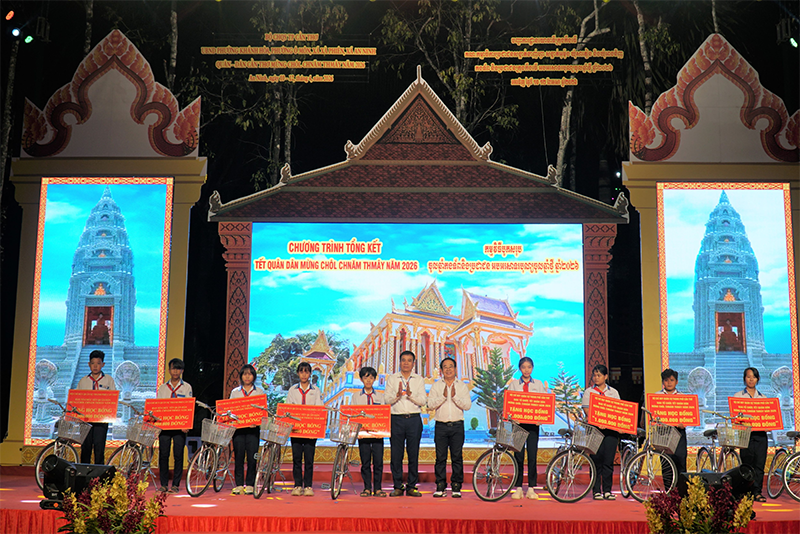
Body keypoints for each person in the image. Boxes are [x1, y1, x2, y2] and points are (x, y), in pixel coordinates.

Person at [427, 357, 471, 498]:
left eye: (450, 366)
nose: (448, 369)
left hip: (457, 426)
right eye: (445, 367)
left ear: (455, 369)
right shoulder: (436, 386)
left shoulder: (462, 386)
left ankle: (456, 486)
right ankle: (440, 485)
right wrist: (444, 397)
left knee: (457, 457)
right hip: (441, 426)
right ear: (441, 370)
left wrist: (454, 397)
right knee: (440, 458)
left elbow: (467, 405)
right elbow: (430, 405)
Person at [386, 350, 427, 497]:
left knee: (413, 454)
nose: (406, 363)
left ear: (413, 363)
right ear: (400, 362)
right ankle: (397, 486)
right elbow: (386, 400)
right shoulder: (392, 378)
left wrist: (410, 395)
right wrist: (397, 395)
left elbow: (423, 401)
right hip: (396, 419)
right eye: (403, 360)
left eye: (409, 360)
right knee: (396, 454)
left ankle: (411, 486)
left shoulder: (419, 379)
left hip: (414, 419)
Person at [506, 356, 547, 500]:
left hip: (533, 426)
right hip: (518, 425)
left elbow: (544, 403)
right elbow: (509, 405)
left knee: (532, 456)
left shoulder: (539, 384)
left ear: (532, 368)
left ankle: (531, 488)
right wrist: (512, 417)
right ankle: (518, 487)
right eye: (523, 367)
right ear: (519, 369)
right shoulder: (513, 385)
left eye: (529, 367)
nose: (526, 370)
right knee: (518, 456)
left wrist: (541, 418)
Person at [582, 364, 621, 501]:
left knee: (608, 461)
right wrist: (598, 421)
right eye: (594, 375)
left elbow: (618, 410)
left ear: (605, 377)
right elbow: (587, 410)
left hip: (611, 432)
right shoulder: (588, 392)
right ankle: (596, 490)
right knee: (595, 461)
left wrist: (609, 422)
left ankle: (607, 490)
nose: (596, 378)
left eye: (599, 375)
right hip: (594, 430)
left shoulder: (613, 393)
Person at [286, 361, 324, 496]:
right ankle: (297, 485)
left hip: (310, 430)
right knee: (296, 458)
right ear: (298, 373)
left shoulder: (316, 390)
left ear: (310, 374)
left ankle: (308, 486)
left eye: (306, 372)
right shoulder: (292, 390)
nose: (304, 374)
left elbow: (319, 409)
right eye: (301, 371)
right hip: (296, 430)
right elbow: (288, 408)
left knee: (309, 459)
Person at [156, 358, 193, 494]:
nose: (175, 371)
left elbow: (188, 407)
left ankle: (176, 484)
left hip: (180, 427)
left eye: (178, 369)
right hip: (165, 427)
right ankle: (164, 484)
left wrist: (186, 424)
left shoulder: (187, 387)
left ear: (182, 371)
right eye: (173, 368)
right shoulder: (163, 388)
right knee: (163, 455)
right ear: (169, 370)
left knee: (178, 455)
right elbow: (159, 407)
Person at [734, 367, 768, 502]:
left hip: (760, 435)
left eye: (753, 377)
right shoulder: (738, 397)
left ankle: (757, 492)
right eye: (748, 377)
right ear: (744, 379)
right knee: (747, 465)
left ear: (758, 379)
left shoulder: (763, 398)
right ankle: (746, 493)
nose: (751, 379)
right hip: (746, 435)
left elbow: (767, 417)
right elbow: (735, 417)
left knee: (759, 464)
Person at [229, 364, 264, 495]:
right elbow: (230, 410)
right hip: (238, 430)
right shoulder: (235, 392)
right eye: (245, 374)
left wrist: (257, 421)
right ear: (241, 376)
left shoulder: (259, 392)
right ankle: (239, 484)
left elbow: (262, 411)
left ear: (253, 376)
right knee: (238, 457)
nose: (247, 377)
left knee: (252, 457)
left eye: (250, 374)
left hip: (253, 430)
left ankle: (250, 484)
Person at [77, 350, 116, 464]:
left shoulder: (108, 380)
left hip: (101, 420)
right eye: (93, 363)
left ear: (103, 364)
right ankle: (84, 472)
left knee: (99, 448)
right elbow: (77, 399)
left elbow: (113, 398)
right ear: (89, 364)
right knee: (86, 448)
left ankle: (99, 473)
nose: (95, 366)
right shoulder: (83, 381)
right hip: (85, 420)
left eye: (98, 363)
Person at [353, 366, 386, 497]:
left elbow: (384, 415)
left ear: (374, 379)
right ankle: (367, 488)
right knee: (365, 462)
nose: (368, 380)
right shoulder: (356, 396)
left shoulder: (380, 396)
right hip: (363, 434)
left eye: (371, 378)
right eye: (366, 377)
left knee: (378, 462)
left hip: (378, 434)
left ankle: (378, 488)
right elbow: (354, 415)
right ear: (361, 379)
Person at [654, 368, 687, 490]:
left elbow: (688, 415)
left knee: (681, 461)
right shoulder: (657, 396)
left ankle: (682, 492)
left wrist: (684, 423)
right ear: (663, 381)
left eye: (672, 380)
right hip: (663, 432)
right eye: (666, 380)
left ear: (677, 382)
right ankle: (669, 492)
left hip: (679, 432)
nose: (669, 383)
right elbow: (653, 414)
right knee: (666, 463)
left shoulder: (683, 397)